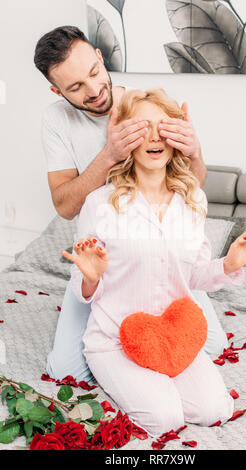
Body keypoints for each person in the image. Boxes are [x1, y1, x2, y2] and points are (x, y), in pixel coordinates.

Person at [61, 88, 246, 438]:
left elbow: (196, 277)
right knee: (164, 419)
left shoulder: (193, 200)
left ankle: (155, 385)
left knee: (215, 410)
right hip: (116, 339)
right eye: (143, 127)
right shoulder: (99, 203)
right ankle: (131, 385)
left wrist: (230, 264)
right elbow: (83, 287)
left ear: (178, 136)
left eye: (164, 126)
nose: (155, 136)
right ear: (127, 137)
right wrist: (91, 278)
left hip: (175, 336)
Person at [34, 25, 226, 384]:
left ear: (98, 56)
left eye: (94, 73)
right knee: (67, 372)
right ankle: (120, 339)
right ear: (56, 90)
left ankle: (137, 348)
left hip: (162, 250)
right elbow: (64, 205)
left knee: (211, 346)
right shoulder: (56, 120)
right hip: (108, 262)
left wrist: (195, 151)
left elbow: (191, 187)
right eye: (75, 87)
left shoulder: (144, 104)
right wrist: (109, 155)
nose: (93, 90)